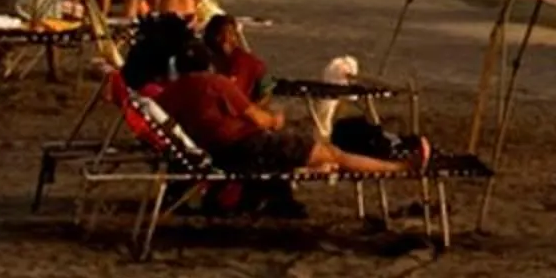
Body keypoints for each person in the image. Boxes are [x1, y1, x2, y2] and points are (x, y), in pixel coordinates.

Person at [149, 43, 421, 182]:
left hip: (216, 150)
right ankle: (399, 167)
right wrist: (275, 119)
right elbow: (258, 118)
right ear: (207, 64)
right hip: (244, 149)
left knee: (313, 152)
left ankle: (313, 164)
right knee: (332, 151)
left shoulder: (170, 93)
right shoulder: (215, 84)